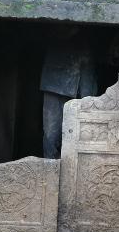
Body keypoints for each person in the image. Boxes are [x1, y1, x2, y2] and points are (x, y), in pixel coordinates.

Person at [40, 29, 99, 159]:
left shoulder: (88, 40)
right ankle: (51, 173)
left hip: (84, 82)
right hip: (55, 82)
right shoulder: (56, 34)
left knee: (85, 134)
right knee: (51, 137)